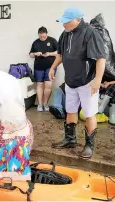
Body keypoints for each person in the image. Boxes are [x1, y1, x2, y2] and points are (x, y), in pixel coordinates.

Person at [49, 8, 106, 159]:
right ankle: (70, 139)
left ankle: (89, 145)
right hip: (71, 81)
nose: (64, 24)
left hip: (87, 82)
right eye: (63, 21)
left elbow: (101, 58)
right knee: (70, 110)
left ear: (79, 19)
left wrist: (98, 80)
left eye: (67, 22)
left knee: (89, 113)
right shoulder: (65, 34)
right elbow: (60, 54)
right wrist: (53, 67)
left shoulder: (91, 33)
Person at [29, 26, 58, 112]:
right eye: (40, 36)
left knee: (48, 85)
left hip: (50, 67)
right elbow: (30, 54)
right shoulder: (35, 42)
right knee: (40, 85)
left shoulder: (52, 41)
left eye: (44, 36)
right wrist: (35, 54)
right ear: (38, 35)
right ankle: (40, 104)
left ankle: (46, 103)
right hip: (38, 67)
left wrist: (49, 54)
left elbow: (58, 53)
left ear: (46, 34)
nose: (42, 38)